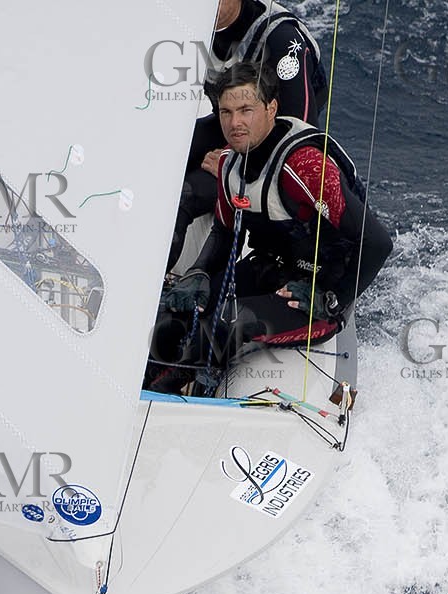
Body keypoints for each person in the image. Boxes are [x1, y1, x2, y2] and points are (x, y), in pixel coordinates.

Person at [151, 62, 393, 393]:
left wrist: (333, 298)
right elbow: (224, 231)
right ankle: (142, 388)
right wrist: (199, 273)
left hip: (316, 295)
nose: (234, 123)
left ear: (271, 108)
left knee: (226, 321)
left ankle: (163, 401)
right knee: (173, 315)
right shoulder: (230, 164)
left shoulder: (305, 167)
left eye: (246, 110)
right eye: (226, 112)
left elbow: (377, 242)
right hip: (269, 271)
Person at [169, 0, 332, 267]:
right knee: (166, 156)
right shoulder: (188, 23)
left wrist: (230, 161)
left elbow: (301, 138)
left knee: (186, 194)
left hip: (277, 152)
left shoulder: (281, 39)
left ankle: (152, 294)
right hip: (228, 129)